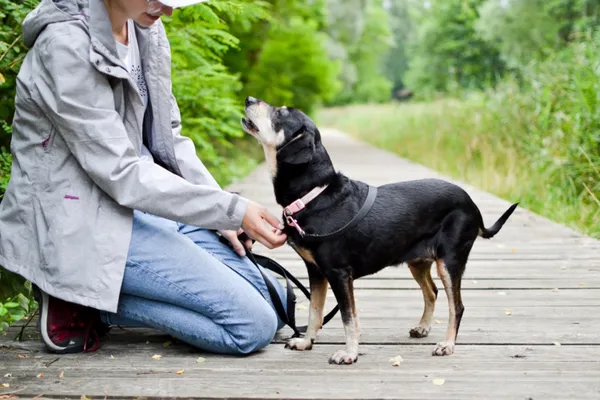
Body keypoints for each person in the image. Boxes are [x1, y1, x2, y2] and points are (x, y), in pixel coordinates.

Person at [0, 0, 289, 355]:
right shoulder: (64, 46)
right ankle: (83, 299)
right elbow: (120, 172)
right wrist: (229, 208)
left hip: (146, 202)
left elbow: (169, 137)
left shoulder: (144, 27)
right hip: (85, 220)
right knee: (253, 325)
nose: (168, 10)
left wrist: (223, 214)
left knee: (273, 303)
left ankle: (97, 293)